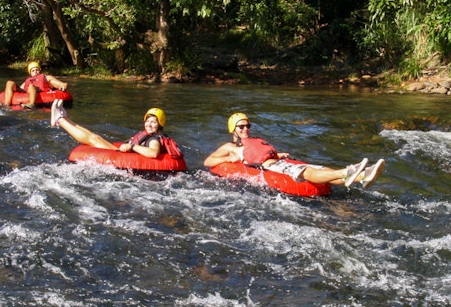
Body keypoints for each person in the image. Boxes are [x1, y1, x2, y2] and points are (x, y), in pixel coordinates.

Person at [203, 112, 386, 189]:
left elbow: (261, 153)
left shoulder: (254, 141)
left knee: (322, 170)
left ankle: (363, 177)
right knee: (307, 172)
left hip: (279, 162)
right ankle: (348, 171)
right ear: (233, 129)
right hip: (270, 169)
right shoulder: (230, 147)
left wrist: (279, 154)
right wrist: (232, 160)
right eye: (241, 126)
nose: (245, 129)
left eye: (247, 125)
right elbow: (208, 161)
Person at [51, 100, 166, 158]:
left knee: (93, 139)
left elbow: (154, 153)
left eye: (153, 122)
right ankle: (64, 117)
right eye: (148, 121)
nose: (149, 125)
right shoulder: (154, 135)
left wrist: (132, 146)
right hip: (125, 153)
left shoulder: (154, 139)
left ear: (160, 124)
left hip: (124, 157)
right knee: (95, 137)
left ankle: (59, 121)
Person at [0, 61, 68, 108]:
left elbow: (62, 84)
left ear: (40, 70)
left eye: (37, 70)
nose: (35, 72)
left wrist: (63, 86)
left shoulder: (46, 78)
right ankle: (7, 104)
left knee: (31, 86)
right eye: (33, 70)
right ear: (30, 73)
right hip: (27, 91)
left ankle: (31, 104)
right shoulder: (28, 80)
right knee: (9, 83)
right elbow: (19, 90)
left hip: (39, 91)